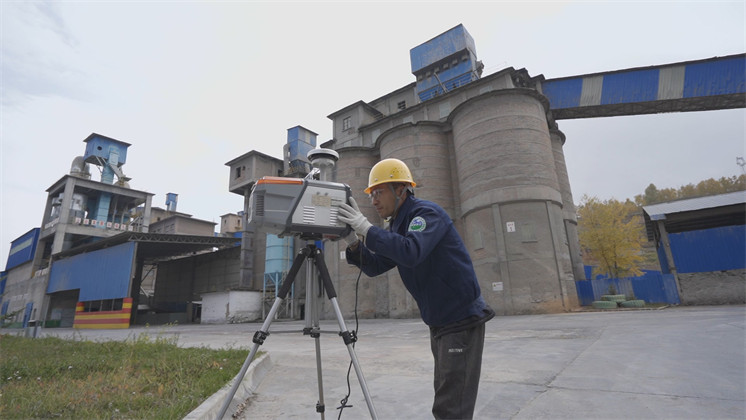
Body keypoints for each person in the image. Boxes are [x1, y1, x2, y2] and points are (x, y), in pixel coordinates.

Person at [337, 158, 494, 420]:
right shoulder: (398, 225)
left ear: (401, 190)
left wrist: (366, 228)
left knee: (451, 406)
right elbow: (375, 265)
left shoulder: (425, 215)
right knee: (447, 397)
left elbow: (411, 252)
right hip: (441, 321)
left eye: (379, 192)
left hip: (460, 320)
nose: (374, 200)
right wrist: (353, 240)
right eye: (371, 194)